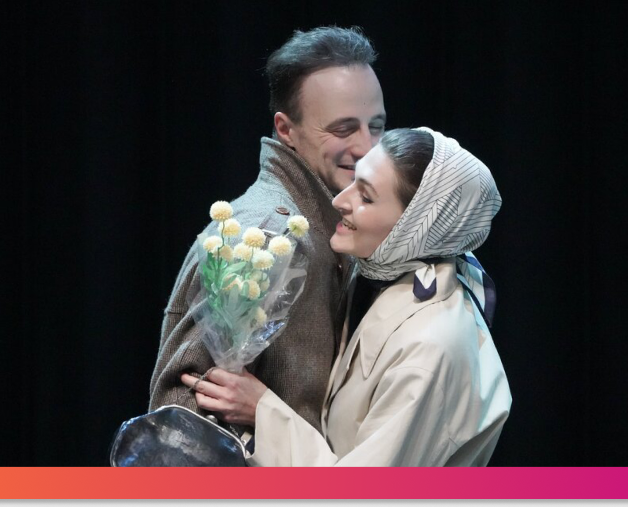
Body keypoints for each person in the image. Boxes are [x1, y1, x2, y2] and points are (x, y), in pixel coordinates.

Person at [181, 127, 512, 466]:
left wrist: (262, 411)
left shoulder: (431, 348)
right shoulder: (381, 276)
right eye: (354, 180)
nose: (339, 200)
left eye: (366, 197)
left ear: (415, 226)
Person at [148, 26, 387, 434]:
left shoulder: (327, 223)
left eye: (376, 126)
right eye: (343, 129)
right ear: (286, 130)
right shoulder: (269, 236)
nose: (367, 147)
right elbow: (181, 416)